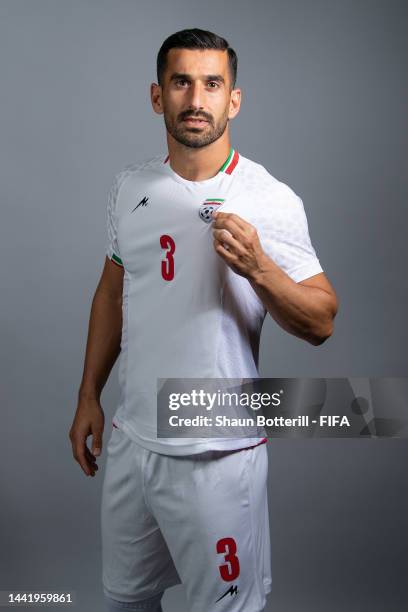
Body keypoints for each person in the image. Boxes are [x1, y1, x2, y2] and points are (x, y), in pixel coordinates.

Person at [69, 28, 338, 612]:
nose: (196, 99)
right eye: (181, 82)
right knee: (122, 602)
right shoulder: (130, 186)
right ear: (157, 95)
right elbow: (113, 290)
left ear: (233, 100)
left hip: (217, 456)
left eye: (212, 84)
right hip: (133, 443)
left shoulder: (268, 198)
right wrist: (89, 393)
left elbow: (322, 321)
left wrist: (261, 269)